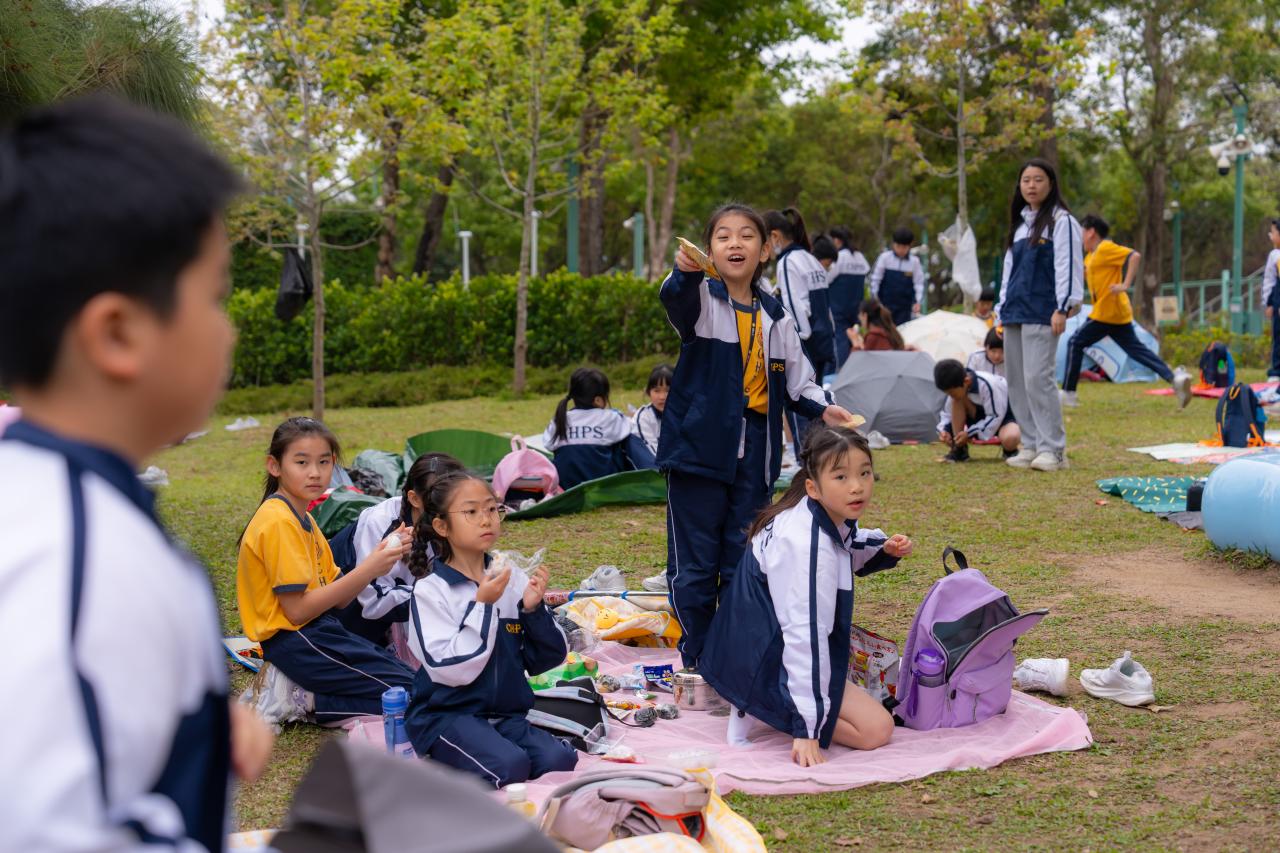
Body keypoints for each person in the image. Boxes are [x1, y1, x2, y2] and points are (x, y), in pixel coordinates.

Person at [0, 95, 272, 850]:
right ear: (118, 334)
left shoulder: (67, 511)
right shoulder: (75, 553)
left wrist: (194, 736)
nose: (229, 329)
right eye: (214, 296)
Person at [660, 203, 857, 669]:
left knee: (743, 561)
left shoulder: (776, 315)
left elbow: (799, 385)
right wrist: (684, 272)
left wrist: (825, 407)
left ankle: (730, 660)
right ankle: (696, 659)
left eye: (746, 235)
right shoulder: (700, 299)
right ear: (709, 250)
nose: (735, 243)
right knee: (694, 567)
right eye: (723, 236)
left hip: (756, 456)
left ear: (765, 249)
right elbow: (674, 297)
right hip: (698, 453)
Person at [699, 426, 912, 766]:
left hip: (740, 652)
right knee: (876, 729)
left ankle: (769, 703)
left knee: (871, 706)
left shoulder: (812, 513)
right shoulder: (805, 546)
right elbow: (805, 637)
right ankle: (768, 706)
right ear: (813, 486)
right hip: (762, 664)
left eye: (864, 473)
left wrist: (882, 549)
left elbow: (846, 545)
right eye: (841, 477)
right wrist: (806, 728)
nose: (857, 486)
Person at [237, 417, 416, 725]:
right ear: (274, 466)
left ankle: (304, 698)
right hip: (296, 642)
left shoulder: (304, 518)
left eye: (324, 462)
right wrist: (370, 568)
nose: (315, 472)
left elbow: (341, 599)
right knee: (413, 695)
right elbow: (296, 612)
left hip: (321, 632)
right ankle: (292, 694)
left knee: (413, 683)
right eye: (301, 462)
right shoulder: (279, 521)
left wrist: (379, 556)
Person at [403, 472, 578, 787]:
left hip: (506, 715)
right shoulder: (431, 590)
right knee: (510, 767)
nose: (486, 520)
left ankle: (494, 744)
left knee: (559, 761)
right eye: (471, 511)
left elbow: (546, 659)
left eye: (492, 509)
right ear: (442, 526)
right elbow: (449, 669)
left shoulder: (511, 578)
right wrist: (482, 605)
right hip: (447, 715)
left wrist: (533, 611)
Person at [993, 158, 1083, 473]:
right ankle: (1030, 444)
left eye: (1038, 179)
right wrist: (1000, 311)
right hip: (1014, 312)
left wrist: (1063, 307)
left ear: (1051, 184)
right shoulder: (1019, 226)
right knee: (1017, 381)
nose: (1031, 185)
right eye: (1026, 180)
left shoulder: (1061, 221)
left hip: (1044, 310)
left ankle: (1053, 450)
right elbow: (1008, 273)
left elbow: (1069, 266)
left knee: (1038, 378)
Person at [334, 452, 466, 645]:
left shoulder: (454, 521)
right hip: (346, 627)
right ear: (414, 499)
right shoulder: (380, 523)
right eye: (440, 499)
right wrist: (440, 596)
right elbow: (373, 602)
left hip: (400, 619)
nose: (451, 508)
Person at [1061, 214, 1191, 408]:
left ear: (1091, 232)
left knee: (1075, 342)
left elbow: (1134, 256)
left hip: (1106, 313)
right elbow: (1083, 273)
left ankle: (1068, 393)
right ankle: (1175, 379)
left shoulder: (1105, 248)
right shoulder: (1091, 256)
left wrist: (1125, 284)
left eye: (1081, 231)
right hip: (1117, 314)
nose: (1080, 236)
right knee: (1137, 351)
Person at [543, 367, 653, 488]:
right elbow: (630, 428)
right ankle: (655, 474)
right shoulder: (610, 417)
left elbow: (548, 444)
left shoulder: (559, 419)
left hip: (567, 486)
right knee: (629, 439)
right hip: (603, 484)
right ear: (598, 400)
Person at [766, 208, 838, 383]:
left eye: (763, 240)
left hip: (807, 345)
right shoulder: (810, 258)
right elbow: (826, 304)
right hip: (823, 340)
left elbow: (794, 304)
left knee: (801, 396)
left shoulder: (787, 261)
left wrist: (797, 341)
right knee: (817, 393)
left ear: (775, 236)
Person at [933, 359, 1021, 463]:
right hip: (977, 414)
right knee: (957, 400)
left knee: (1011, 437)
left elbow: (995, 416)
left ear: (967, 381)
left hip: (1003, 416)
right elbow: (947, 414)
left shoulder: (988, 384)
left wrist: (969, 433)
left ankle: (1010, 451)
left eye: (951, 393)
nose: (950, 396)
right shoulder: (956, 385)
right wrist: (944, 431)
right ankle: (959, 448)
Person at [828, 226, 871, 367]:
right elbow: (866, 273)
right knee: (854, 339)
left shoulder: (839, 257)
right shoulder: (860, 257)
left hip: (838, 307)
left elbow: (826, 279)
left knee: (840, 341)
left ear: (838, 240)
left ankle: (840, 372)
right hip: (856, 308)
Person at [870, 227, 925, 326]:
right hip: (885, 306)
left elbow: (919, 283)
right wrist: (875, 299)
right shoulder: (885, 258)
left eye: (904, 247)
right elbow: (876, 279)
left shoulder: (914, 262)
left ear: (909, 246)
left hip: (905, 308)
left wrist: (918, 301)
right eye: (898, 246)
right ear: (893, 244)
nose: (901, 250)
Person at [632, 363, 672, 457]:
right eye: (657, 391)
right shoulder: (644, 417)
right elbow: (653, 455)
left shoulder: (687, 414)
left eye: (668, 390)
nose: (662, 397)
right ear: (648, 392)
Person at [1262, 219, 1280, 379]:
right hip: (1277, 302)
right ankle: (1276, 371)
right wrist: (1268, 303)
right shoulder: (1275, 256)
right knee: (1278, 336)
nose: (1270, 236)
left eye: (1273, 232)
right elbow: (1270, 280)